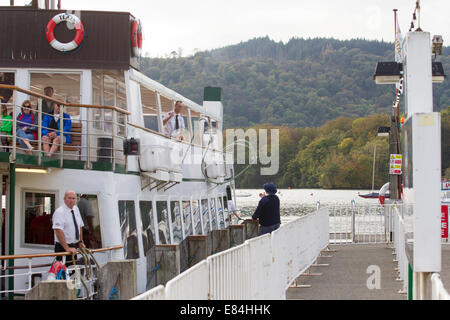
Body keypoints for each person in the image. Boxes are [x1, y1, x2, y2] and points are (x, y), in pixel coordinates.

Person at [52, 190, 85, 263]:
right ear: (64, 199)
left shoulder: (76, 209)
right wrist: (67, 248)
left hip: (73, 247)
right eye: (69, 198)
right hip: (62, 247)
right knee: (63, 272)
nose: (72, 200)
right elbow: (58, 231)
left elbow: (80, 226)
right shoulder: (59, 212)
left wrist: (80, 242)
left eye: (73, 198)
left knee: (73, 271)